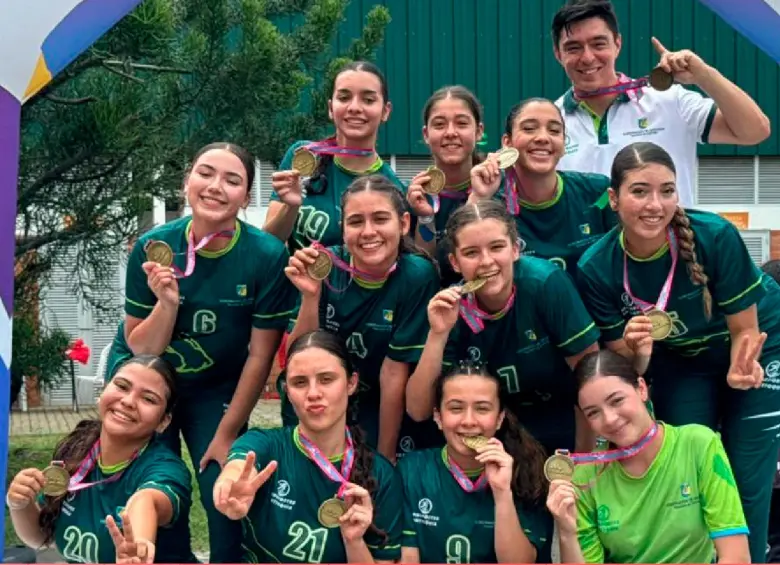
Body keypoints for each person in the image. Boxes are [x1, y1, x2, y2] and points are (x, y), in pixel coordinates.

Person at [577, 141, 780, 562]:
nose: (655, 205)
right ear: (613, 198)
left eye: (667, 191)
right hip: (682, 360)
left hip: (756, 347)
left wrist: (740, 369)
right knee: (681, 465)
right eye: (640, 191)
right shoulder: (596, 267)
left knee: (746, 476)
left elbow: (745, 329)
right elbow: (629, 366)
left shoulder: (714, 236)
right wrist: (641, 352)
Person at [105, 142, 297, 562]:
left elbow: (260, 356)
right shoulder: (153, 246)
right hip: (148, 381)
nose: (215, 186)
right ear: (186, 181)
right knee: (151, 489)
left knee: (221, 490)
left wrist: (227, 433)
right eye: (205, 173)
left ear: (246, 197)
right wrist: (167, 304)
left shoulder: (265, 256)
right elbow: (142, 348)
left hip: (217, 387)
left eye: (232, 180)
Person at [406, 200, 600, 454]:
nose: (486, 261)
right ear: (454, 262)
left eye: (497, 247)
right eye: (471, 253)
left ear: (515, 249)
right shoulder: (450, 309)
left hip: (558, 413)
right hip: (489, 427)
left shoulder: (546, 284)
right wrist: (437, 334)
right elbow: (418, 410)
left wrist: (585, 458)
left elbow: (590, 378)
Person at [551, 0, 771, 207]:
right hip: (591, 238)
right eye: (573, 48)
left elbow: (755, 131)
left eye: (598, 44)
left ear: (617, 44)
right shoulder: (550, 124)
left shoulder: (670, 101)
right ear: (558, 54)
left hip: (672, 235)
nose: (588, 57)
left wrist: (703, 75)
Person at [282, 174, 439, 461]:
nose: (368, 232)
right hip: (324, 393)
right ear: (342, 229)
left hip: (382, 401)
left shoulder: (417, 276)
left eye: (380, 219)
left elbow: (393, 373)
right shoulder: (322, 266)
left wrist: (385, 458)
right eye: (355, 222)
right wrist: (310, 297)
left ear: (404, 223)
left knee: (375, 469)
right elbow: (298, 357)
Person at [214, 330, 403, 564]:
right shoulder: (264, 444)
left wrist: (354, 541)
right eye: (300, 382)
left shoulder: (382, 475)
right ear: (287, 391)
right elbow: (236, 468)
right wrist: (228, 488)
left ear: (351, 383)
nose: (313, 393)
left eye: (326, 379)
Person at [547, 349, 750, 564]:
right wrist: (567, 533)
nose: (610, 419)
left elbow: (736, 557)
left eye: (616, 400)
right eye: (593, 412)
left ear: (642, 389)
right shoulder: (584, 478)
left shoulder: (698, 444)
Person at [7, 356, 196, 564]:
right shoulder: (76, 450)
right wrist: (20, 504)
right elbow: (41, 538)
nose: (128, 401)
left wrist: (138, 545)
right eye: (122, 386)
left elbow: (146, 501)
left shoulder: (166, 469)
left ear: (164, 422)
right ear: (104, 391)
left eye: (148, 399)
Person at [399, 362, 552, 564]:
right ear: (438, 417)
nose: (469, 421)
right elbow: (407, 558)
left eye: (482, 409)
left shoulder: (525, 472)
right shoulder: (412, 469)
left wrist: (502, 493)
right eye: (456, 408)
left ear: (499, 418)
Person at [265, 60, 405, 252]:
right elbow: (268, 247)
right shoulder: (303, 156)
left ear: (385, 111)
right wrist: (291, 207)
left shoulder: (393, 188)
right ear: (331, 108)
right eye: (344, 98)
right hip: (294, 272)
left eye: (368, 100)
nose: (354, 107)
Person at [468, 97, 616, 278]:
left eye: (554, 131)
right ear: (507, 143)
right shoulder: (490, 202)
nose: (543, 138)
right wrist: (478, 197)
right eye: (529, 128)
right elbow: (451, 264)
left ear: (564, 144)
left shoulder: (598, 192)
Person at [406, 85, 485, 285]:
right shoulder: (413, 196)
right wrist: (425, 217)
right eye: (439, 125)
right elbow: (424, 270)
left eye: (462, 123)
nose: (450, 132)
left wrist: (479, 197)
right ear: (426, 134)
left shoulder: (496, 188)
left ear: (479, 131)